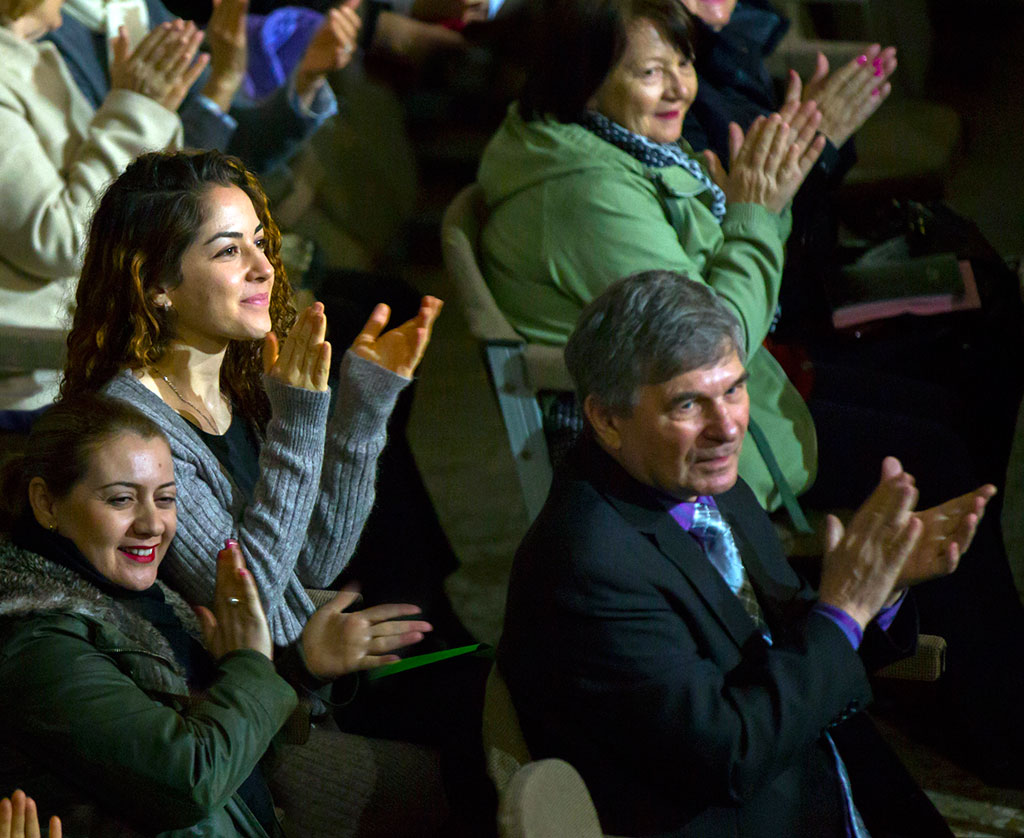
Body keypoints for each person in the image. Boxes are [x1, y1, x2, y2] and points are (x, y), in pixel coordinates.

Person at [498, 270, 993, 837]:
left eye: (734, 388)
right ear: (607, 418)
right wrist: (845, 608)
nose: (728, 426)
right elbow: (730, 755)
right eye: (688, 403)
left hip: (828, 771)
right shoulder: (585, 566)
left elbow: (784, 644)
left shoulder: (700, 477)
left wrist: (880, 591)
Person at [0, 394, 442, 836]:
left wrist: (301, 667)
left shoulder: (141, 596)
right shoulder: (40, 647)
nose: (153, 524)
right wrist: (251, 663)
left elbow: (222, 738)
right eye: (120, 500)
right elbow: (191, 778)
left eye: (166, 498)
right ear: (47, 504)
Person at [60, 148, 442, 649]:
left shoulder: (240, 387)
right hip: (250, 698)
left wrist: (363, 407)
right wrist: (298, 420)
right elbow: (249, 600)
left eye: (259, 243)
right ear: (156, 283)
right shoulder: (132, 426)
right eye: (228, 251)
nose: (264, 267)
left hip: (298, 673)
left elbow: (315, 563)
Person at [478, 0, 824, 510]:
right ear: (585, 80)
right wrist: (755, 215)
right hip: (699, 468)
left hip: (747, 409)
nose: (680, 88)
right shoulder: (587, 194)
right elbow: (712, 342)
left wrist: (764, 196)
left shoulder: (616, 140)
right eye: (650, 72)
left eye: (683, 63)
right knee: (936, 448)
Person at [0, 0, 205, 410]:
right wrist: (138, 109)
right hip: (34, 393)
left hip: (85, 367)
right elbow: (59, 239)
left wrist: (151, 105)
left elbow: (137, 200)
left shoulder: (36, 55)